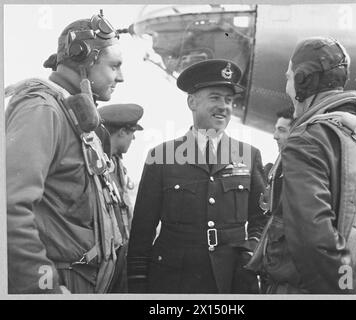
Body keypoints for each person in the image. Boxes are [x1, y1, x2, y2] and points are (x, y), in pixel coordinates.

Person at [247, 37, 356, 294]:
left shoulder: (307, 140)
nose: (287, 86)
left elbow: (313, 242)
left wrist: (342, 292)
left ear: (303, 80)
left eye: (289, 77)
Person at [6, 12, 127, 294]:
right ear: (85, 61)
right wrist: (43, 289)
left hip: (90, 280)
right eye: (115, 66)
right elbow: (9, 207)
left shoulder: (72, 112)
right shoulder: (41, 109)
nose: (121, 77)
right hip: (63, 283)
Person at [127, 59, 266, 293]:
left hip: (232, 281)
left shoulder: (249, 156)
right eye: (215, 97)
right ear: (192, 102)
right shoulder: (162, 156)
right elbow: (142, 230)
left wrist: (251, 250)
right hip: (175, 283)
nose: (224, 106)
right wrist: (138, 284)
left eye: (229, 100)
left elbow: (261, 218)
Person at [96, 103, 144, 292]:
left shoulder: (116, 163)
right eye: (132, 133)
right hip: (103, 261)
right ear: (122, 132)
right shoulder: (97, 165)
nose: (133, 139)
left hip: (119, 257)